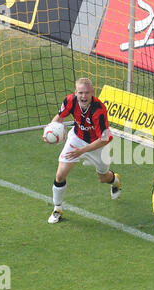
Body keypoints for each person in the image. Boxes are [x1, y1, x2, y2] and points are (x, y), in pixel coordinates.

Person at [47, 78, 121, 224]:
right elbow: (59, 118)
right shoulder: (70, 101)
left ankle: (115, 180)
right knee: (60, 175)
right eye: (80, 93)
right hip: (76, 138)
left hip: (98, 145)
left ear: (92, 93)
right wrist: (49, 131)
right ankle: (57, 209)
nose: (83, 96)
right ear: (76, 92)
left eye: (87, 93)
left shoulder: (98, 110)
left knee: (103, 178)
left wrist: (81, 151)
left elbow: (104, 139)